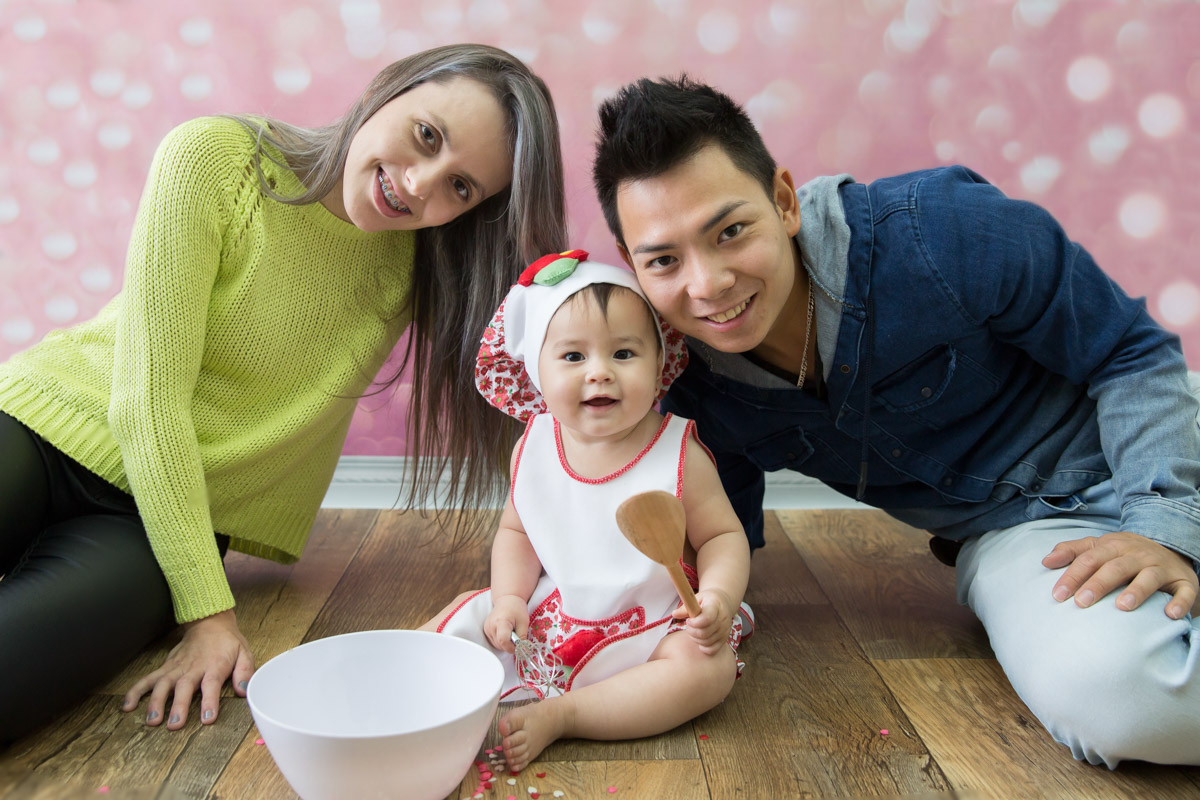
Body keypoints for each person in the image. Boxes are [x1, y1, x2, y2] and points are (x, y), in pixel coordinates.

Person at [591, 76, 1200, 768]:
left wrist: (1166, 523)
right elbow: (719, 541)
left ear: (784, 201)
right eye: (664, 260)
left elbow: (1130, 350)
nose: (707, 285)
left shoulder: (941, 230)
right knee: (1129, 702)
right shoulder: (692, 388)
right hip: (1021, 539)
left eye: (730, 232)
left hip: (1159, 453)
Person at [0, 43, 567, 745]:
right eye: (426, 135)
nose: (420, 186)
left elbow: (559, 356)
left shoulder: (422, 267)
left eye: (460, 188)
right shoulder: (218, 158)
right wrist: (210, 616)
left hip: (150, 529)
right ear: (391, 89)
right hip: (37, 426)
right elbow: (145, 404)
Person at [423, 250, 751, 772]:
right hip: (559, 613)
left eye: (624, 354)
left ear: (659, 361)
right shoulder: (533, 446)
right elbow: (517, 531)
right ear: (536, 369)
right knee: (468, 613)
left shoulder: (678, 451)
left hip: (659, 618)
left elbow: (721, 538)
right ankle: (400, 681)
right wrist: (511, 599)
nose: (599, 373)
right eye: (573, 357)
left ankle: (568, 714)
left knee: (703, 671)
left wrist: (717, 597)